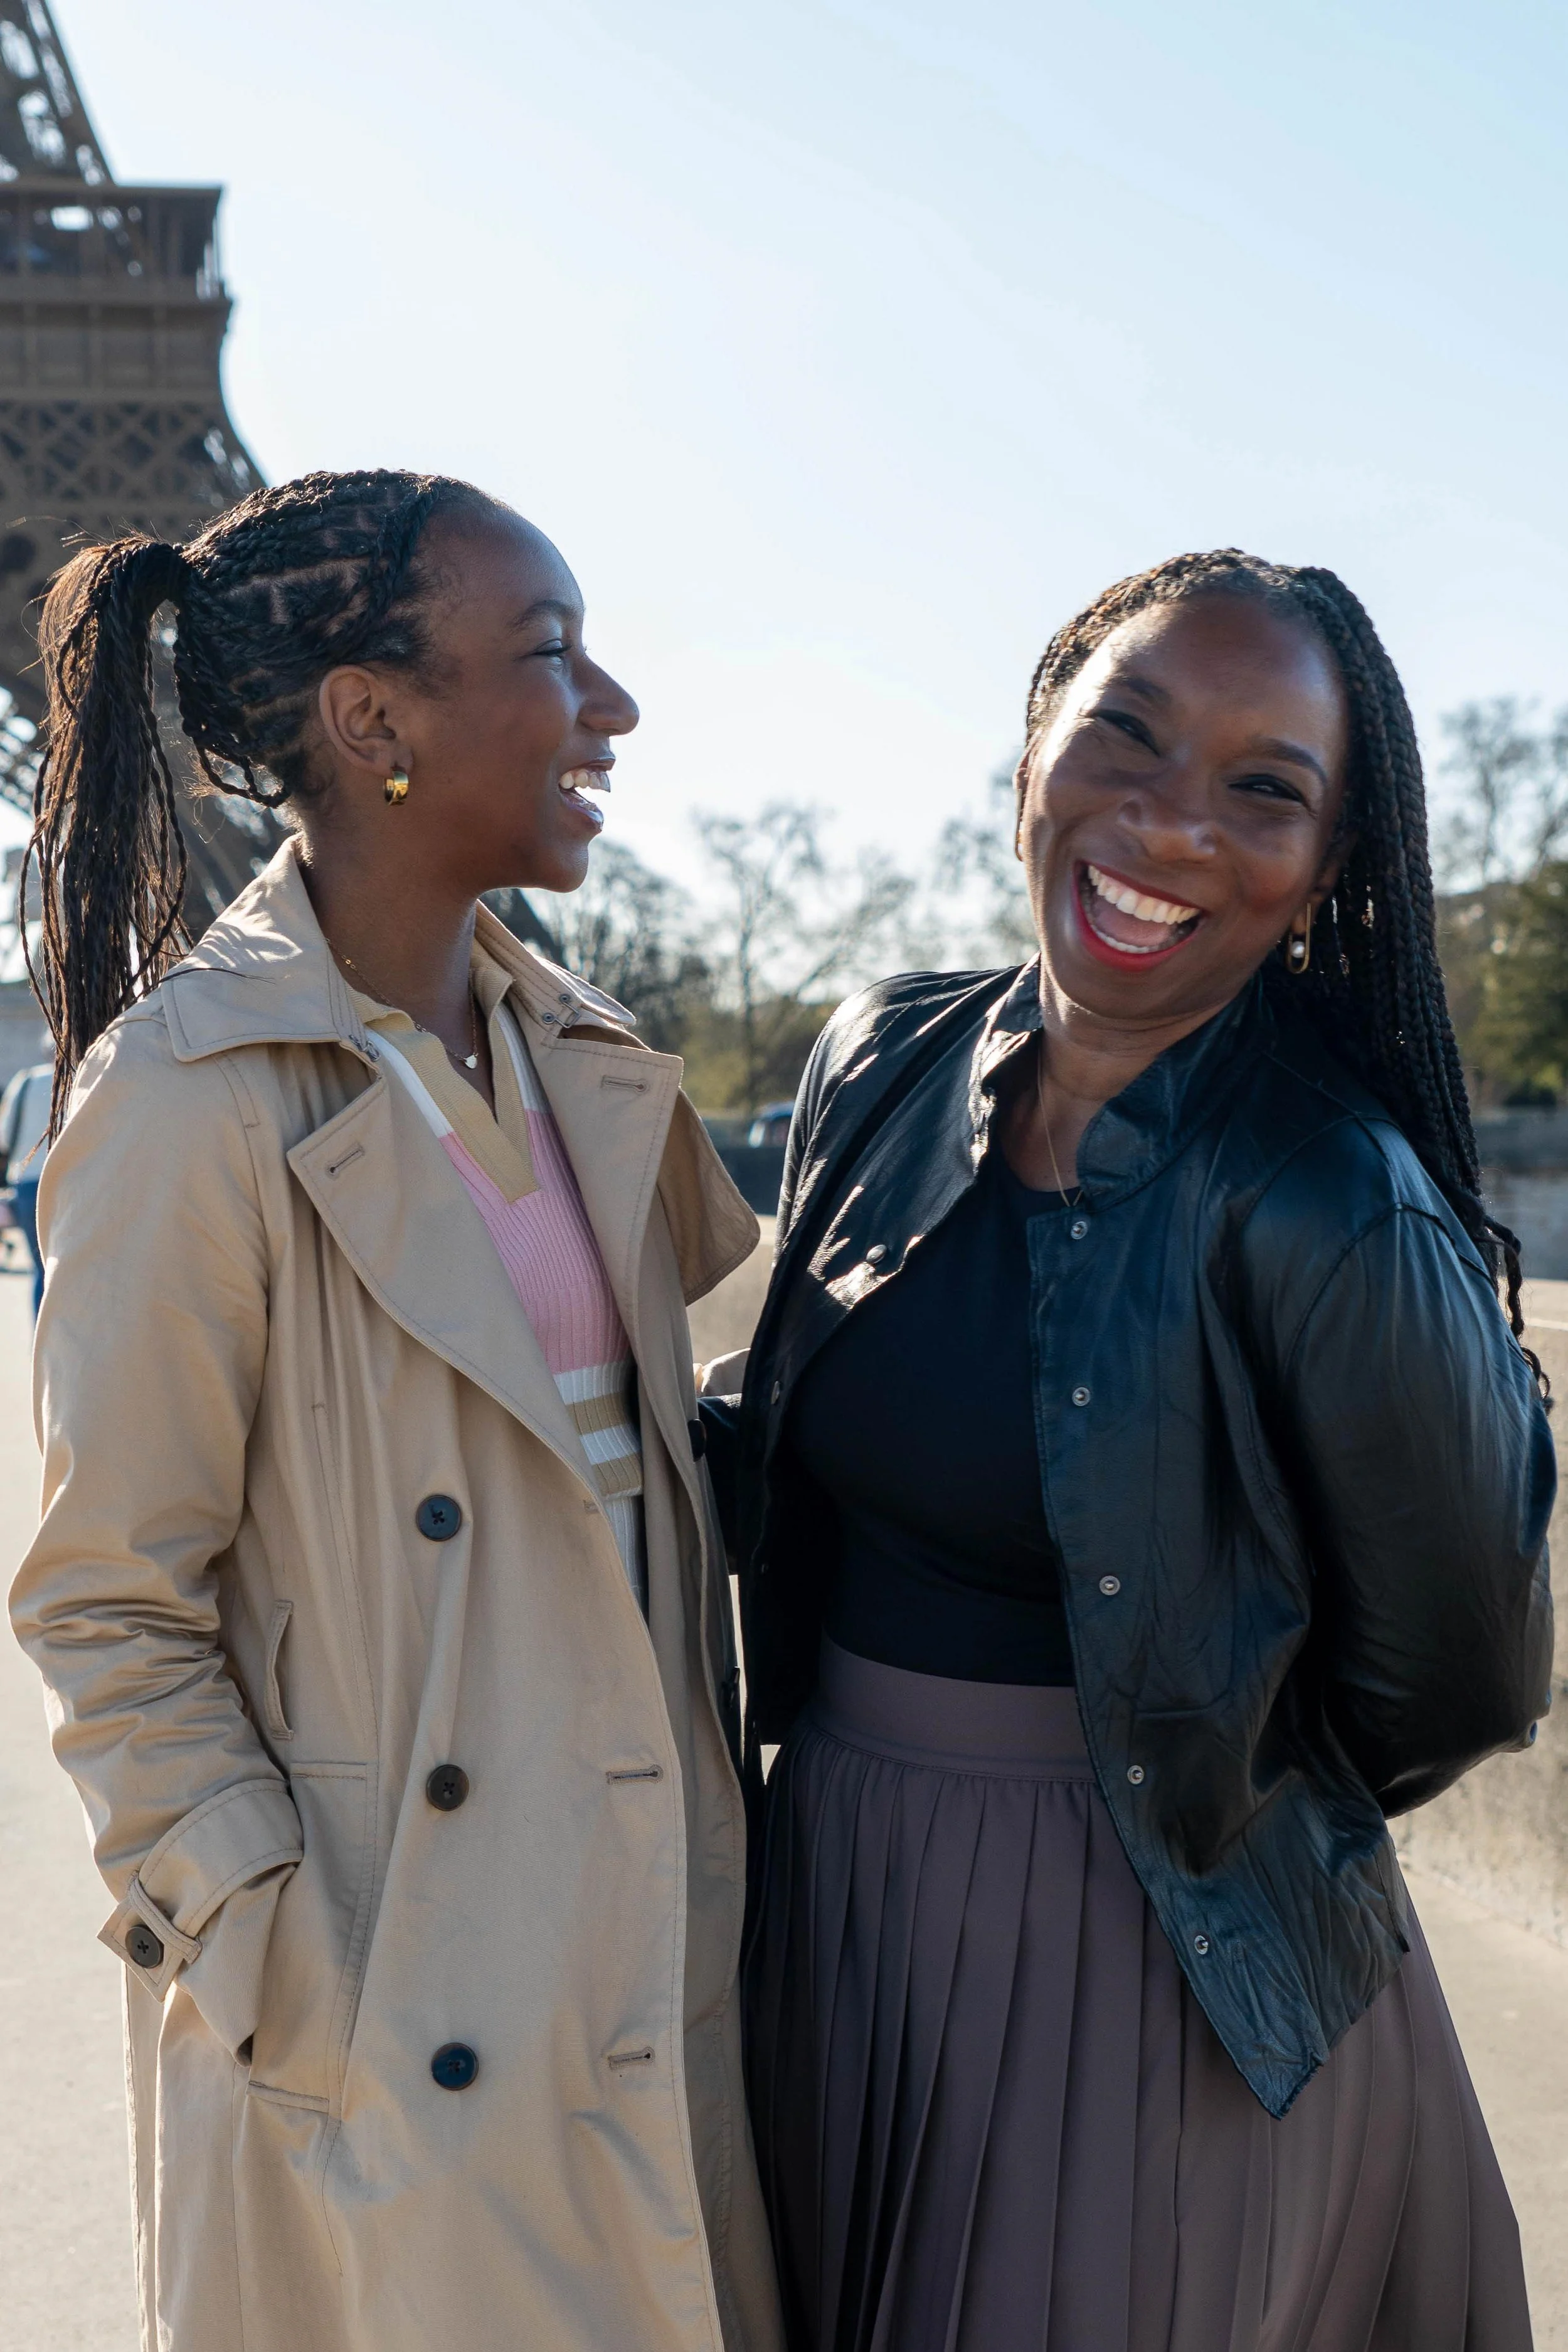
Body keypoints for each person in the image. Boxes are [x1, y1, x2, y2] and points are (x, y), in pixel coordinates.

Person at [717, 551, 1554, 2351]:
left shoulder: (1332, 1198)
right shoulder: (882, 1059)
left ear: (1323, 869)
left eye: (1263, 789)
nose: (1169, 824)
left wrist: (1160, 1799)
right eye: (1126, 735)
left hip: (1159, 1951)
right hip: (833, 1894)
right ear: (1031, 746)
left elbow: (1462, 1675)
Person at [9, 471, 784, 2352]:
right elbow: (110, 1601)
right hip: (398, 2025)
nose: (607, 707)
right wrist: (292, 1968)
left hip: (649, 1970)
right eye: (545, 656)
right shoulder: (188, 1098)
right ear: (373, 723)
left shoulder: (582, 1059)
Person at [0, 1057, 50, 1313]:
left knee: (41, 1270)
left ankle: (39, 1348)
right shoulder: (83, 1077)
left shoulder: (27, 1081)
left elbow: (5, 1139)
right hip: (72, 1181)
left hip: (28, 1183)